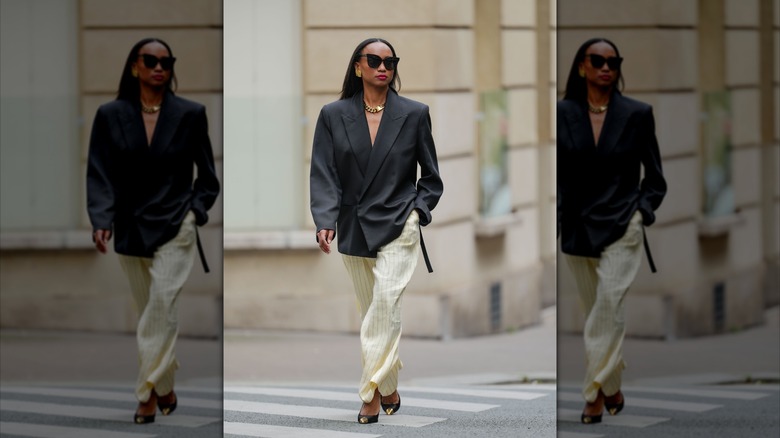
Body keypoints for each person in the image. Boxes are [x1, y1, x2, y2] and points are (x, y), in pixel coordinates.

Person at [309, 37, 443, 424]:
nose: (383, 67)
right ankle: (388, 386)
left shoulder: (415, 114)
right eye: (374, 60)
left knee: (383, 306)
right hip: (354, 226)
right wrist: (324, 220)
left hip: (400, 224)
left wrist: (418, 211)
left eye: (390, 61)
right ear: (358, 67)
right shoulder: (333, 115)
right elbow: (324, 173)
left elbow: (431, 178)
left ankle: (368, 393)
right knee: (374, 311)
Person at [86, 37, 220, 424]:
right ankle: (165, 387)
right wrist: (100, 219)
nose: (159, 67)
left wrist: (194, 212)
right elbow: (99, 172)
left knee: (160, 308)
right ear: (135, 67)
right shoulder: (110, 115)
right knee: (151, 312)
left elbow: (207, 178)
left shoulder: (191, 114)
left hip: (177, 225)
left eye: (166, 61)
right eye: (150, 60)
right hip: (130, 227)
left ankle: (145, 393)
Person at [557, 38, 667, 424]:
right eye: (597, 60)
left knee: (607, 309)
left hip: (623, 227)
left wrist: (642, 212)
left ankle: (592, 396)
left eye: (613, 61)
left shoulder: (637, 114)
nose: (606, 67)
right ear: (582, 67)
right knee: (598, 314)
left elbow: (655, 179)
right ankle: (612, 386)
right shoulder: (562, 113)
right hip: (578, 229)